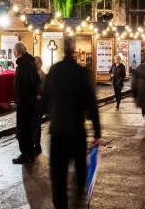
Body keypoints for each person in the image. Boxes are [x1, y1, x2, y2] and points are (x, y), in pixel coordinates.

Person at [43, 36, 101, 209]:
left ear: (62, 49)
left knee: (58, 176)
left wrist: (50, 114)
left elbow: (44, 100)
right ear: (74, 50)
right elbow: (91, 103)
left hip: (58, 131)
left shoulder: (54, 71)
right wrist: (97, 132)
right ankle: (78, 201)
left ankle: (61, 206)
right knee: (80, 172)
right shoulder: (81, 73)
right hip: (77, 130)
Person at [12, 41, 39, 164]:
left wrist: (21, 97)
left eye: (14, 51)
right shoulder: (31, 63)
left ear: (17, 52)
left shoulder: (23, 66)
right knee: (28, 128)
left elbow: (27, 85)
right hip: (30, 101)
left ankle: (26, 154)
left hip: (25, 102)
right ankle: (30, 153)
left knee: (23, 129)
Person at [32, 55, 46, 156]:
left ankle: (37, 145)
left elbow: (41, 89)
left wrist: (38, 95)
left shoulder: (40, 74)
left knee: (36, 125)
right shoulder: (40, 73)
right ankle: (36, 144)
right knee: (36, 124)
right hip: (38, 103)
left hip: (38, 103)